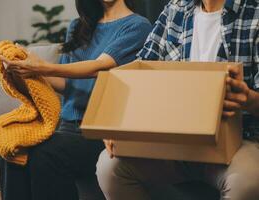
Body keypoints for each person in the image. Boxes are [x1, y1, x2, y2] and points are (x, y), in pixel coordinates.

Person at [96, 0, 259, 199]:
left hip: (240, 140)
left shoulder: (254, 12)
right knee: (109, 167)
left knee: (247, 182)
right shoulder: (175, 9)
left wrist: (248, 99)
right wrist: (115, 123)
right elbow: (139, 70)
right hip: (174, 140)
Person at [0, 0, 152, 199]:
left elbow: (100, 66)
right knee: (12, 149)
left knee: (46, 154)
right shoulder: (78, 27)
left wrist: (41, 67)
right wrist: (23, 67)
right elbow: (65, 82)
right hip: (67, 128)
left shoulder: (138, 26)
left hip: (101, 134)